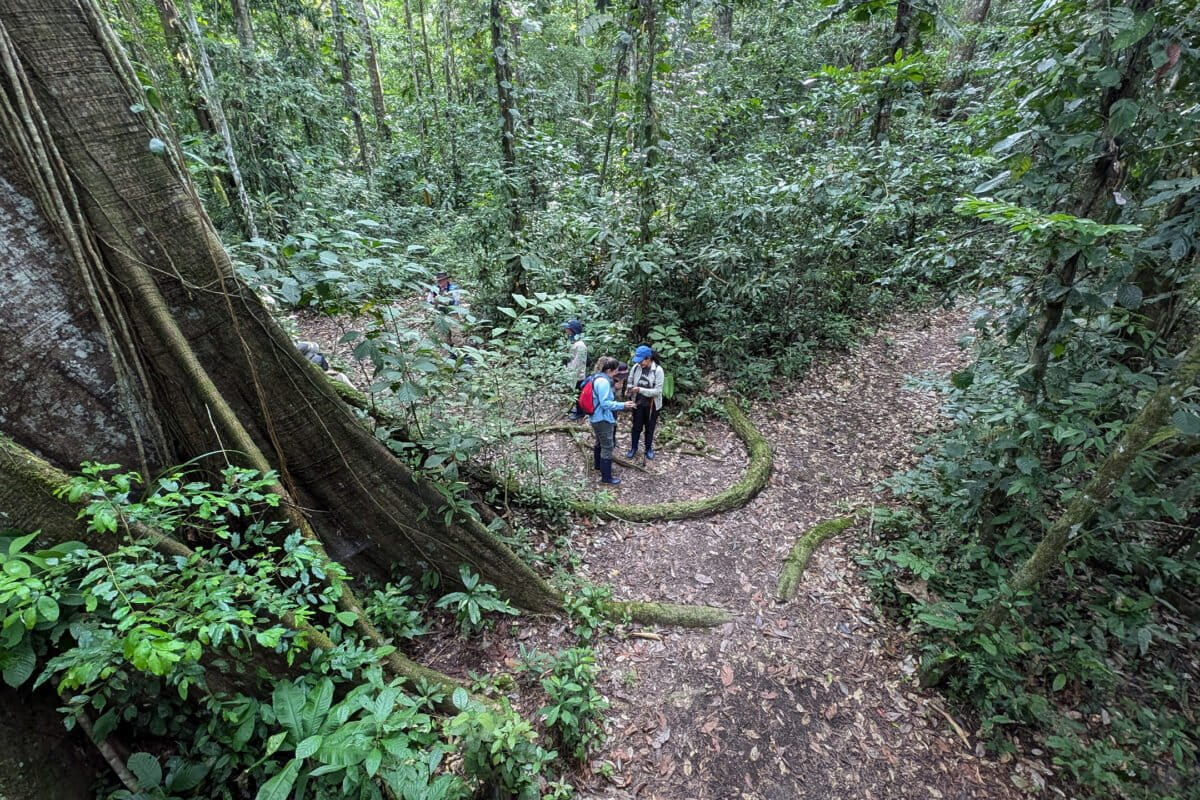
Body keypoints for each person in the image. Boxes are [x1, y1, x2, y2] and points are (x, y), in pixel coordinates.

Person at [588, 356, 636, 485]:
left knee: (600, 441)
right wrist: (623, 405)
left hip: (596, 417)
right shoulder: (603, 382)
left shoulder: (596, 377)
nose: (617, 373)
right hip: (602, 418)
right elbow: (605, 403)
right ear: (609, 370)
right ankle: (606, 477)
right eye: (615, 370)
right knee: (607, 446)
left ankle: (598, 466)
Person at [625, 344, 665, 460]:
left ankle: (648, 448)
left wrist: (640, 389)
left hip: (652, 404)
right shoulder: (636, 368)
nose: (639, 363)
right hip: (638, 403)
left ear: (648, 359)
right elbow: (630, 380)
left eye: (641, 361)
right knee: (636, 427)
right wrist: (630, 389)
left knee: (650, 427)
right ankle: (633, 448)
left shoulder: (658, 370)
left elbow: (658, 391)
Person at [562, 319, 589, 420]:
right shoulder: (574, 342)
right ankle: (577, 410)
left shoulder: (580, 345)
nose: (566, 330)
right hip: (572, 373)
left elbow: (578, 362)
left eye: (568, 329)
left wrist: (572, 374)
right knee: (575, 394)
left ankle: (580, 413)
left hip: (578, 375)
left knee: (578, 394)